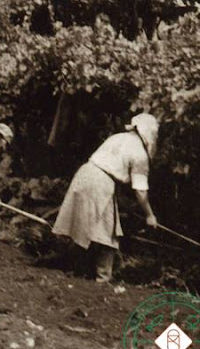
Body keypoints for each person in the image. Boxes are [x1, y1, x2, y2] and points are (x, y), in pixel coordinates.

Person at [52, 113, 160, 283]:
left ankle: (77, 270)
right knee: (107, 232)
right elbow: (140, 190)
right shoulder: (140, 153)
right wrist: (149, 215)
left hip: (85, 174)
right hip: (100, 182)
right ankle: (102, 278)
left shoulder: (117, 138)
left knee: (82, 224)